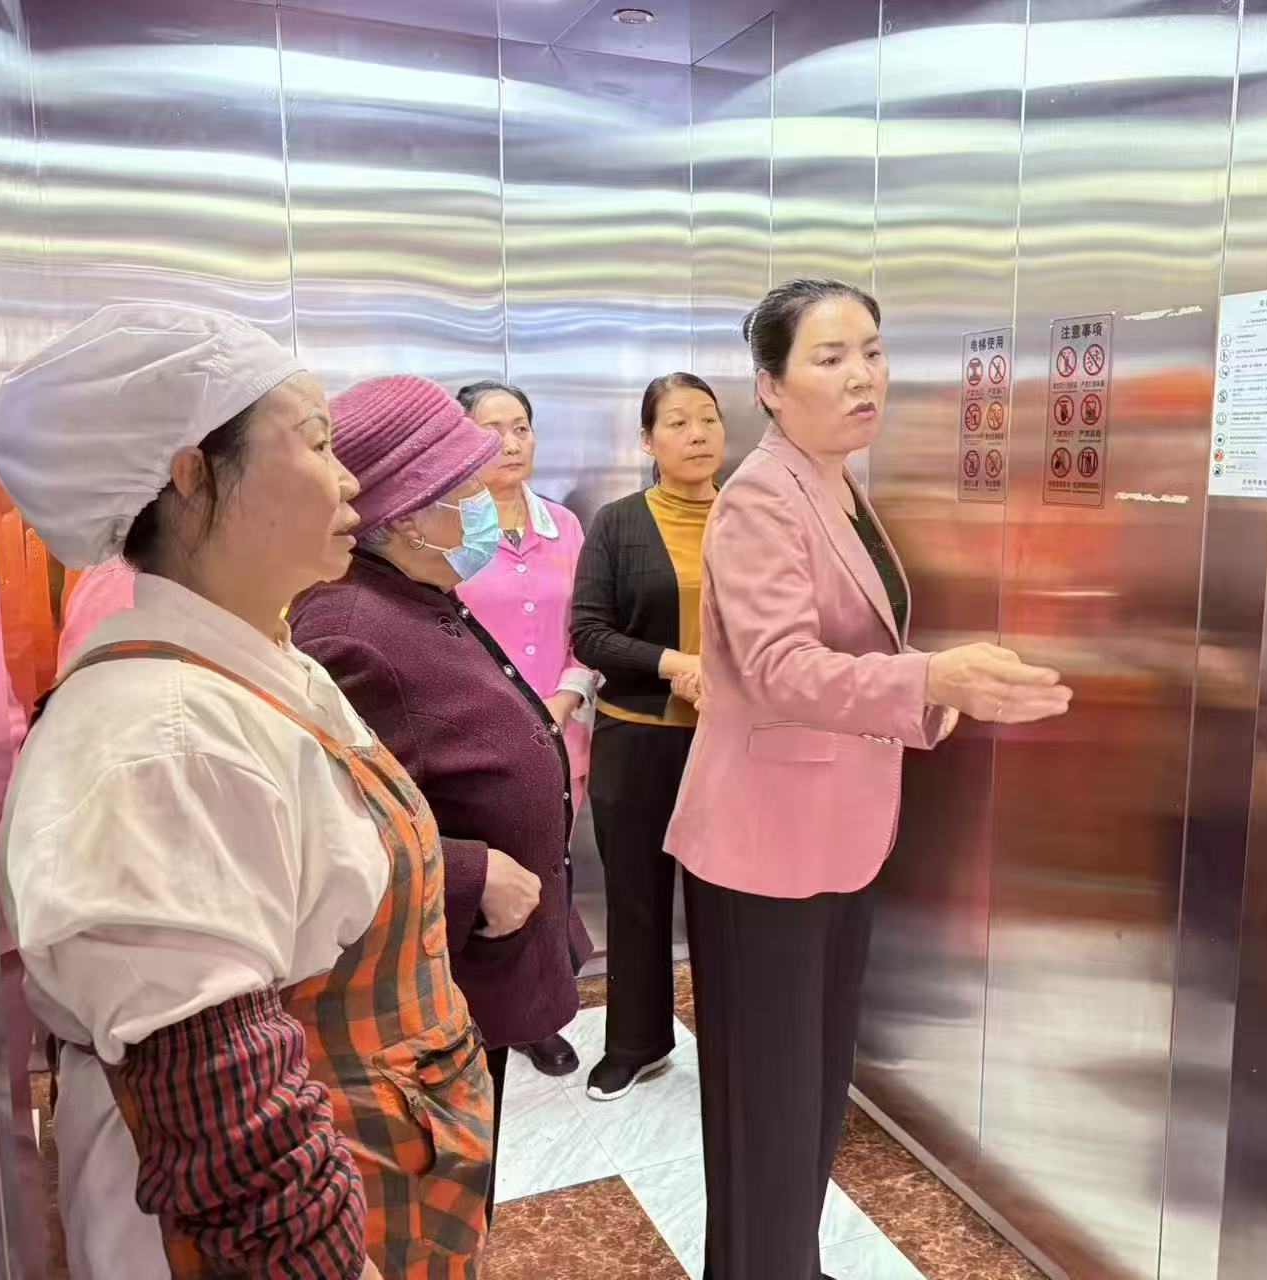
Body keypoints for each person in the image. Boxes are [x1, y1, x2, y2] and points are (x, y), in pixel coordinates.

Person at [0, 305, 491, 1280]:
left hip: (383, 1173)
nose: (349, 480)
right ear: (192, 473)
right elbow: (233, 1133)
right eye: (314, 442)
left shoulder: (261, 664)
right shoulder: (159, 739)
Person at [664, 279, 1074, 1279]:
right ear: (769, 384)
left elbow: (858, 653)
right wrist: (929, 680)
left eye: (873, 352)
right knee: (767, 1112)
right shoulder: (760, 496)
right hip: (762, 847)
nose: (862, 376)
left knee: (809, 1097)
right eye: (830, 357)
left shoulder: (838, 486)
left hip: (836, 834)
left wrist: (935, 694)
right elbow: (778, 667)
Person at [288, 375, 592, 1219]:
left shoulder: (415, 598)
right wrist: (469, 873)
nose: (486, 501)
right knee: (434, 1206)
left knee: (468, 1183)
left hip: (469, 979)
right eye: (465, 489)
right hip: (424, 991)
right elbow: (324, 825)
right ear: (406, 515)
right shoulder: (349, 630)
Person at [570, 372, 725, 1102]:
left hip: (731, 743)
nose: (697, 434)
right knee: (636, 895)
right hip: (637, 739)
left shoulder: (751, 519)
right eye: (677, 422)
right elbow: (589, 633)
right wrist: (675, 665)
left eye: (708, 419)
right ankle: (636, 1042)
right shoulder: (618, 523)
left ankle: (733, 1044)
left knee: (728, 903)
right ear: (647, 440)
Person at [451, 382, 596, 1084]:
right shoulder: (447, 529)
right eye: (492, 430)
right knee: (487, 877)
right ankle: (472, 1018)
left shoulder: (564, 527)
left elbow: (587, 629)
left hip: (562, 735)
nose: (511, 443)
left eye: (522, 427)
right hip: (475, 741)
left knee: (549, 868)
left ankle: (538, 1017)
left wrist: (564, 699)